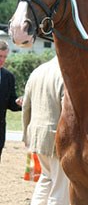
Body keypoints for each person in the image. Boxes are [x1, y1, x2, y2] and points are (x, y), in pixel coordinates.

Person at [22, 56, 70, 205]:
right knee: (60, 188)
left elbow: (26, 106)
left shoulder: (37, 71)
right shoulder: (65, 72)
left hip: (37, 137)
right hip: (56, 138)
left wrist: (26, 134)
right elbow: (68, 111)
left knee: (46, 179)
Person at [0, 40, 22, 160]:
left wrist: (20, 103)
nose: (2, 60)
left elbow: (11, 103)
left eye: (5, 56)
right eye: (0, 56)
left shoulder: (8, 77)